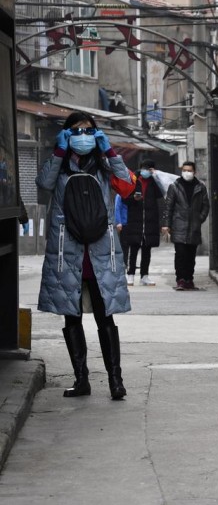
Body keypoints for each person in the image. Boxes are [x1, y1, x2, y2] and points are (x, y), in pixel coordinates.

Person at [36, 110, 131, 400]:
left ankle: (116, 381)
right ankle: (82, 380)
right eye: (75, 131)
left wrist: (109, 149)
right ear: (66, 134)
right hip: (68, 252)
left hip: (101, 252)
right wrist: (59, 150)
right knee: (72, 317)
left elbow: (126, 184)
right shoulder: (59, 165)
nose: (82, 137)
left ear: (96, 134)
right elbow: (43, 186)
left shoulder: (103, 165)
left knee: (105, 318)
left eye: (88, 131)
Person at [162, 161, 210, 291]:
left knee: (190, 255)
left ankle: (189, 279)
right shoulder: (175, 186)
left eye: (189, 170)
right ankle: (181, 279)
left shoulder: (200, 187)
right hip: (179, 225)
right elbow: (168, 207)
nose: (187, 173)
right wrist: (166, 224)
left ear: (194, 172)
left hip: (194, 226)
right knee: (181, 254)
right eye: (184, 170)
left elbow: (206, 205)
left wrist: (199, 218)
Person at [122, 159, 163, 286]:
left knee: (147, 250)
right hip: (135, 220)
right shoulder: (132, 180)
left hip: (150, 221)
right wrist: (133, 199)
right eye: (144, 168)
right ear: (140, 168)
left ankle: (144, 276)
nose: (146, 171)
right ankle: (130, 274)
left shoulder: (154, 182)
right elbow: (125, 199)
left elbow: (160, 194)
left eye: (149, 169)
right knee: (133, 249)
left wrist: (156, 177)